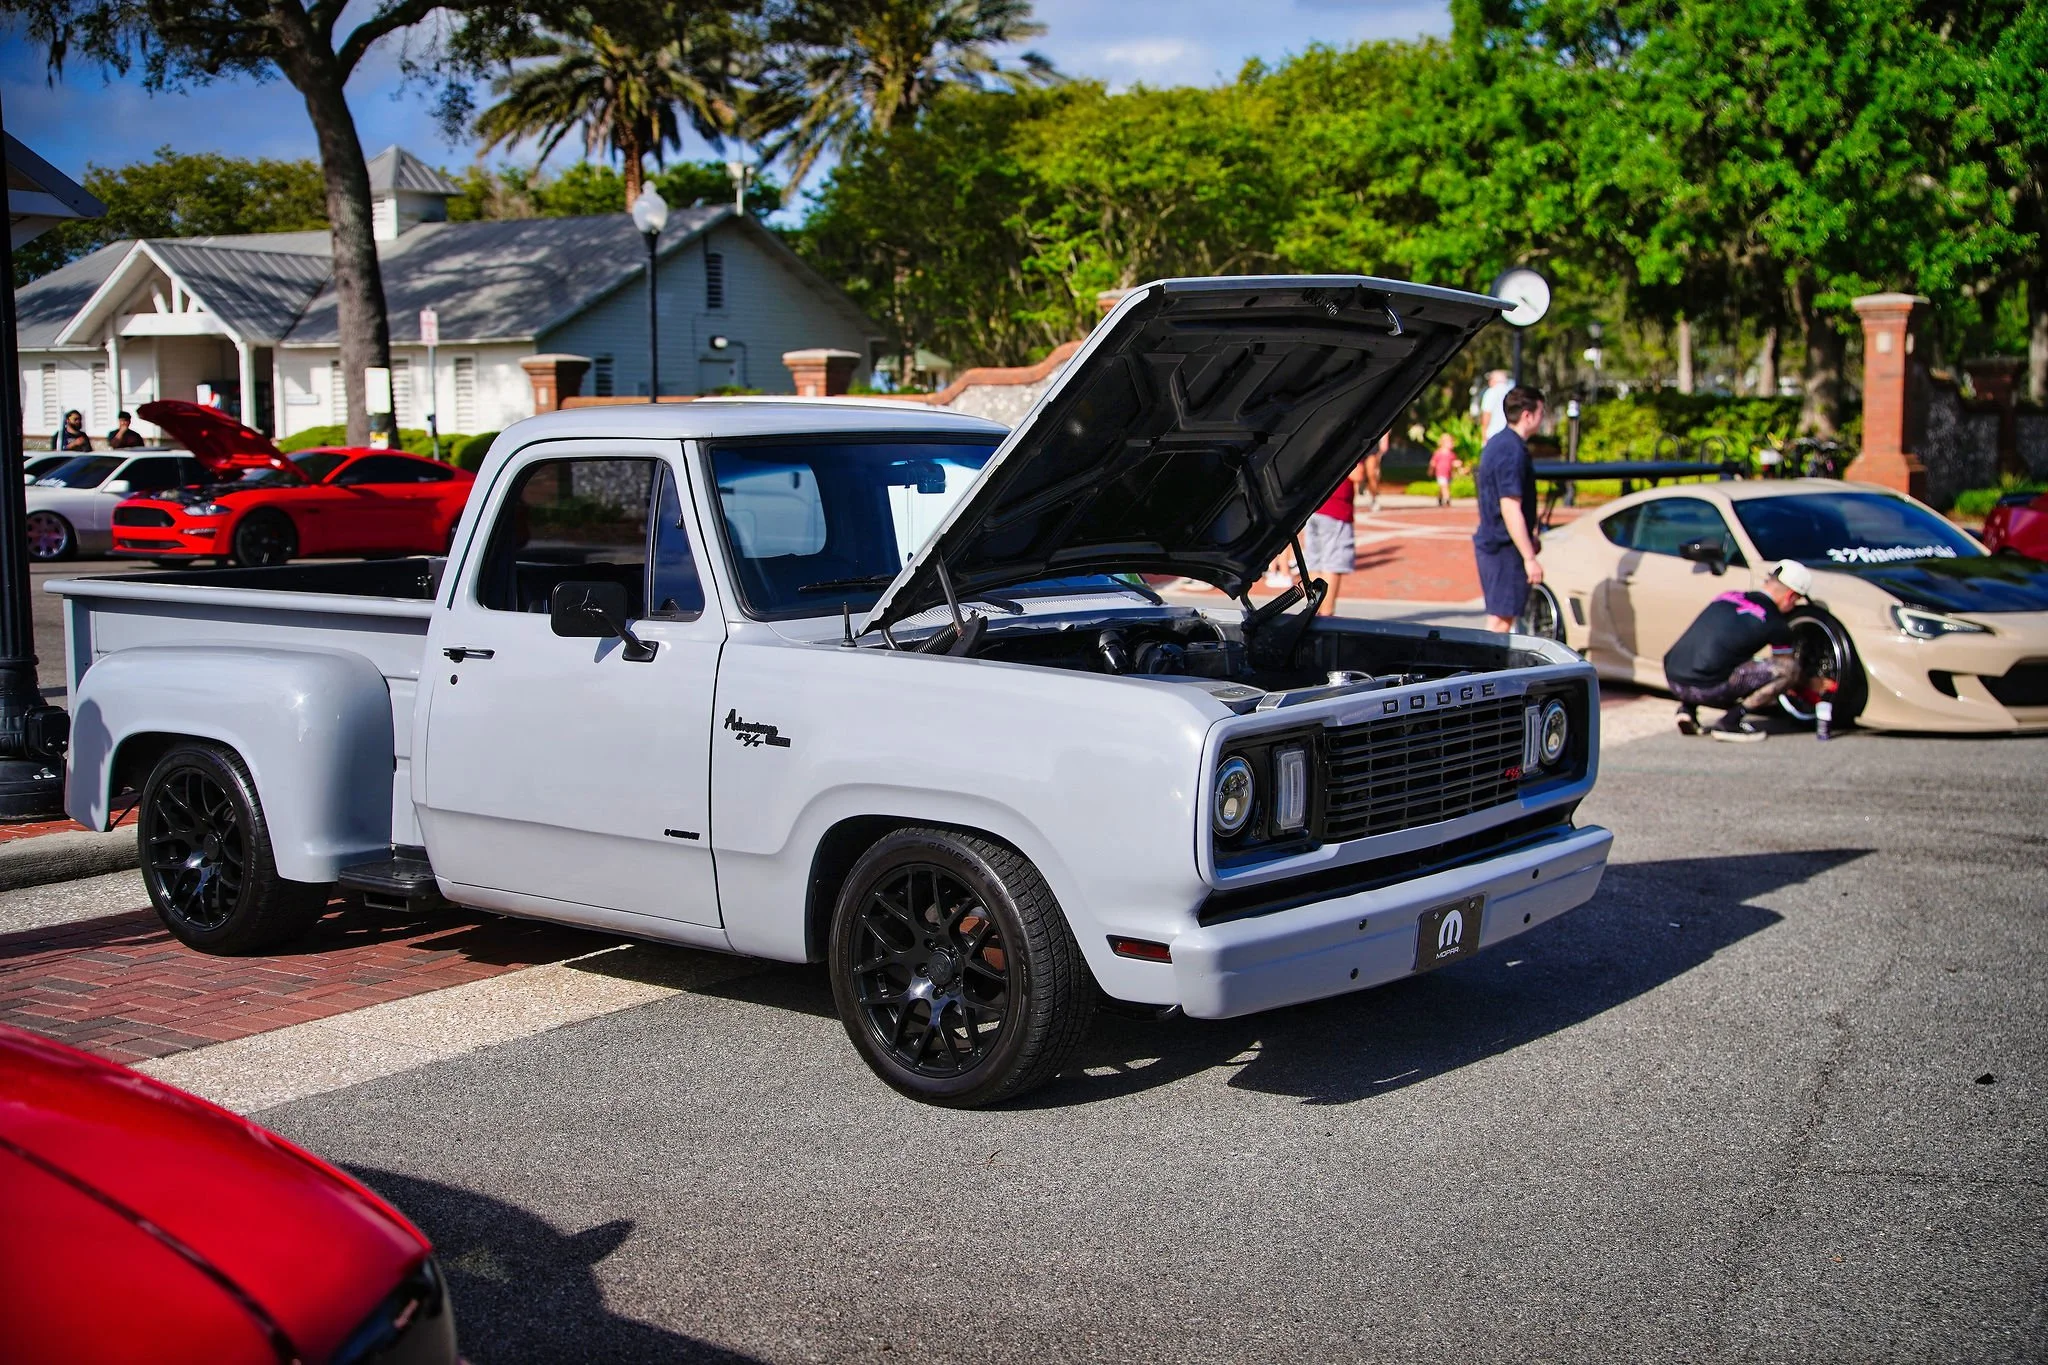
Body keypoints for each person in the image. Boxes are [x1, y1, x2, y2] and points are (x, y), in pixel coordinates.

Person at [1663, 560, 1812, 742]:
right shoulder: (1775, 623)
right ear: (1790, 596)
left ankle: (1687, 710)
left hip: (1674, 679)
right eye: (1797, 600)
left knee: (1719, 654)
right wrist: (1811, 683)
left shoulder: (1726, 596)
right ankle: (1730, 722)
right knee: (1789, 670)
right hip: (1708, 689)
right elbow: (1784, 667)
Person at [1472, 385, 1544, 633]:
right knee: (1501, 622)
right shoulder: (1510, 450)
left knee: (1501, 619)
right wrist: (1529, 558)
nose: (1541, 419)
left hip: (1496, 544)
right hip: (1502, 548)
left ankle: (1487, 669)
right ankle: (1486, 671)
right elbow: (1510, 506)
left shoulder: (1499, 443)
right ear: (1527, 415)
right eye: (1540, 413)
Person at [1301, 433, 1387, 616]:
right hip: (1336, 508)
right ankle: (1327, 612)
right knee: (1332, 562)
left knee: (1316, 560)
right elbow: (1357, 475)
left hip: (1314, 507)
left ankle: (1313, 610)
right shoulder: (1347, 445)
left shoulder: (1317, 440)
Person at [1476, 369, 1512, 443]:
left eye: (1490, 379)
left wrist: (1484, 436)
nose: (1489, 382)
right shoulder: (1511, 392)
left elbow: (1486, 414)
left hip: (1493, 435)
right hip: (1509, 435)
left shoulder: (1491, 392)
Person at [1429, 432, 1460, 507]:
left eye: (1452, 442)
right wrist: (1431, 470)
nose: (1452, 444)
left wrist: (1456, 465)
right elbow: (1433, 462)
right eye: (1450, 442)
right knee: (1444, 486)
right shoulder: (1438, 453)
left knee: (1444, 487)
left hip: (1448, 474)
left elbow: (1453, 463)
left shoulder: (1452, 454)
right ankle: (1447, 499)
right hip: (1440, 473)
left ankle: (1440, 497)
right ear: (1443, 443)